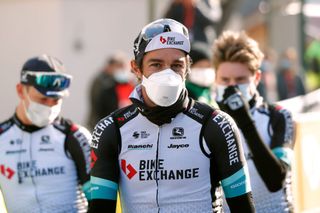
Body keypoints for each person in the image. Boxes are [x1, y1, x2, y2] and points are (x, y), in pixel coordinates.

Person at [90, 18, 255, 213]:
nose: (167, 74)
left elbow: (243, 208)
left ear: (187, 68)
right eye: (156, 65)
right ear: (136, 68)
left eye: (176, 65)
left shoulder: (217, 125)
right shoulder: (112, 129)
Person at [213, 31, 295, 212]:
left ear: (256, 78)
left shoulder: (278, 116)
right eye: (225, 80)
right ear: (215, 79)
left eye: (240, 79)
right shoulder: (209, 122)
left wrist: (244, 122)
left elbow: (275, 181)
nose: (232, 86)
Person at [0, 55, 91, 212]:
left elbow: (100, 202)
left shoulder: (76, 136)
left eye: (56, 100)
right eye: (42, 99)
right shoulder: (2, 137)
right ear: (21, 91)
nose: (50, 106)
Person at [87, 52, 135, 130]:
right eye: (119, 67)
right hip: (100, 124)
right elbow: (99, 108)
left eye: (124, 67)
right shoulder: (102, 83)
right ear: (110, 67)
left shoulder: (125, 83)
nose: (123, 70)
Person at [187, 41, 218, 108]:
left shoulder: (212, 93)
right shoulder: (185, 94)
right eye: (200, 66)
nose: (205, 70)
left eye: (209, 66)